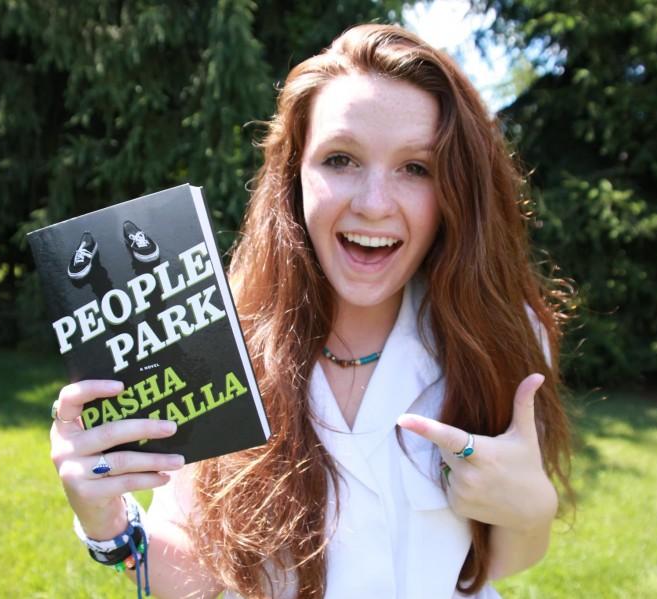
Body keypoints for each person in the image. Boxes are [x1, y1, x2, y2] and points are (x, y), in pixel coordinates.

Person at [50, 23, 572, 599]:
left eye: (416, 168)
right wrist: (110, 527)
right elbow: (203, 575)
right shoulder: (209, 337)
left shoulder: (499, 335)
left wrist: (532, 508)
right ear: (294, 173)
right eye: (341, 159)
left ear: (457, 192)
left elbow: (491, 566)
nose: (374, 204)